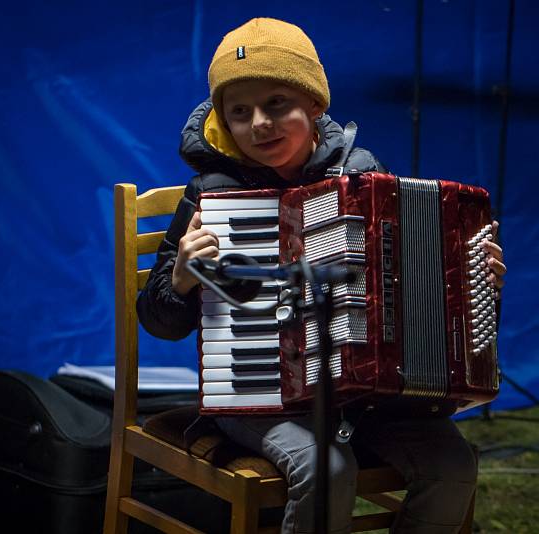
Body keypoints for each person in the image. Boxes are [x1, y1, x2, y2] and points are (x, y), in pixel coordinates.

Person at [137, 17, 507, 534]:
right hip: (259, 396)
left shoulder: (361, 178)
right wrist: (180, 279)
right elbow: (160, 322)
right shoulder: (213, 194)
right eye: (239, 112)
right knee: (329, 469)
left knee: (453, 467)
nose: (259, 124)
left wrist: (470, 281)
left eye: (277, 104)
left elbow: (410, 298)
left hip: (367, 397)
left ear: (315, 106)